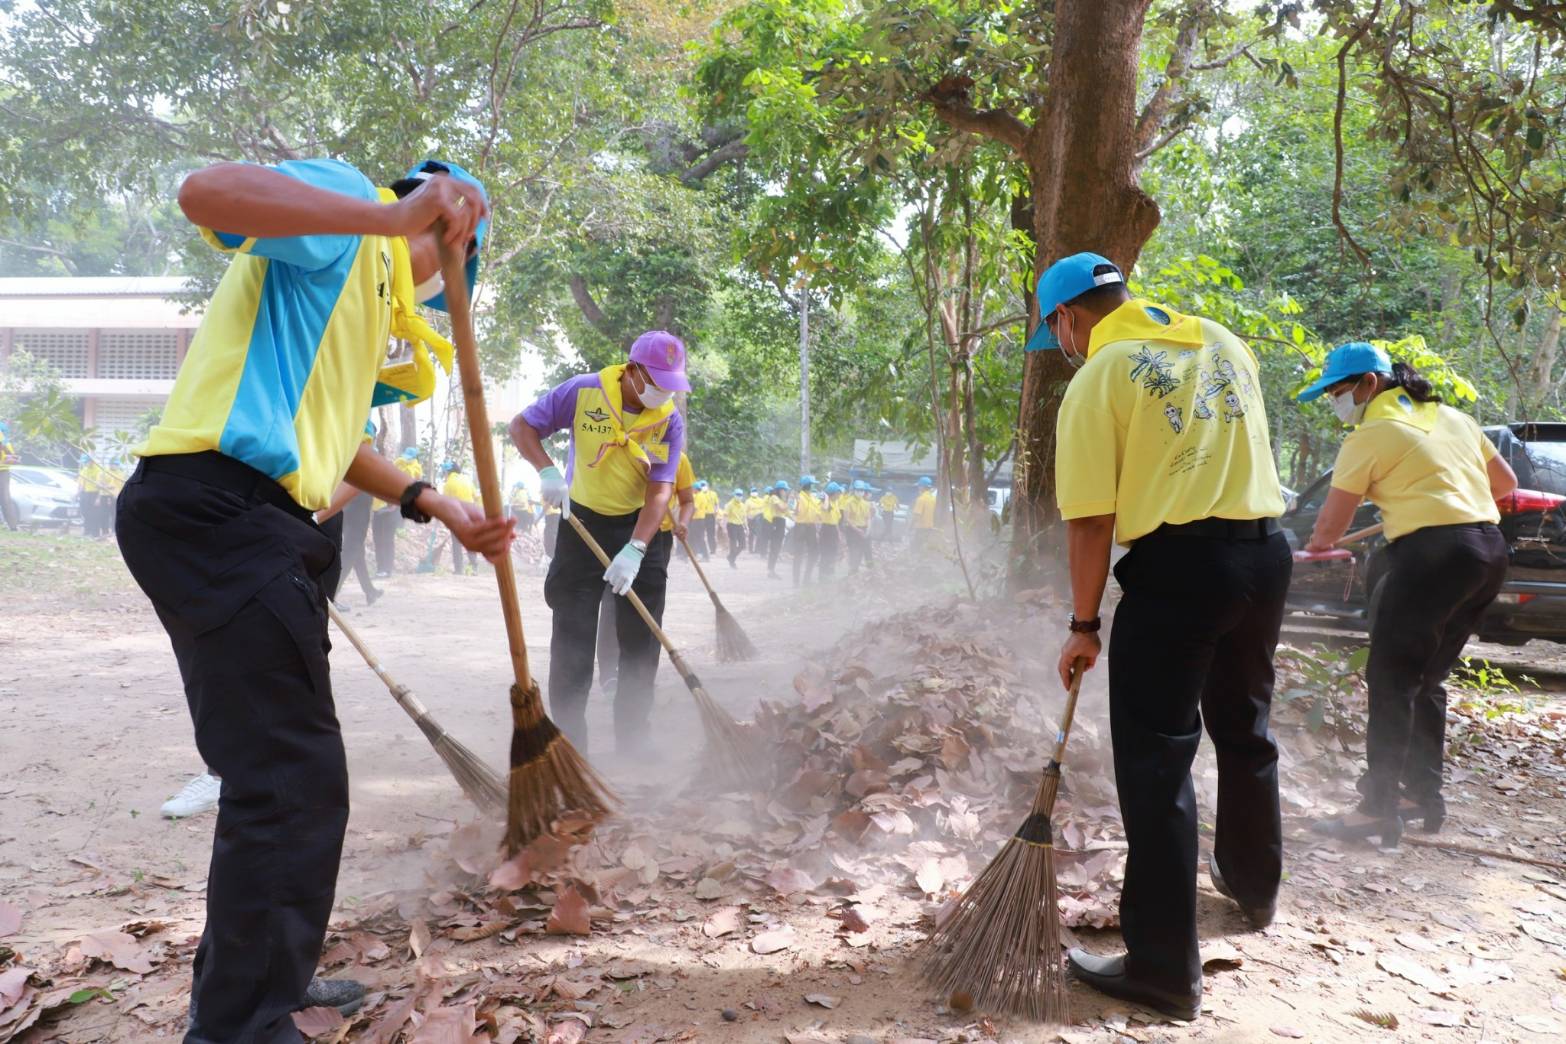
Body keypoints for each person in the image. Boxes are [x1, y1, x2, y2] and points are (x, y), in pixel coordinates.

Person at [116, 156, 511, 1040]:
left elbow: (335, 441)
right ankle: (238, 1026)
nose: (444, 280)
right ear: (441, 219)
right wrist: (392, 215)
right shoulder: (349, 216)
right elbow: (201, 193)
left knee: (292, 773)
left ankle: (268, 982)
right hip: (215, 505)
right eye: (452, 252)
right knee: (286, 780)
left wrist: (434, 503)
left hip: (252, 519)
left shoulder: (367, 302)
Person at [1037, 252, 1290, 1022]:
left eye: (1060, 336)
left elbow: (1090, 520)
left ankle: (1161, 970)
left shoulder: (1100, 376)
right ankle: (1252, 888)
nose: (1066, 349)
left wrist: (1085, 625)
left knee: (1156, 760)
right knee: (1245, 725)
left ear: (1068, 318)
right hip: (1263, 556)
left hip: (1180, 570)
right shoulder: (1220, 338)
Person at [1298, 343, 1515, 843]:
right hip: (1487, 551)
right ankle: (1422, 797)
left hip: (1430, 558)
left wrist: (1321, 540)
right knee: (1428, 678)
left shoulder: (1370, 434)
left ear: (1369, 384)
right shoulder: (1452, 417)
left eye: (1337, 390)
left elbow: (1329, 529)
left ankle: (1377, 809)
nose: (1336, 401)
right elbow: (1503, 483)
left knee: (1392, 680)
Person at [508, 330, 687, 755]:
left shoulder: (667, 419)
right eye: (657, 380)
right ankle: (569, 743)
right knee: (572, 635)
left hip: (640, 529)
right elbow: (522, 426)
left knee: (641, 639)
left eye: (670, 384)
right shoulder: (584, 391)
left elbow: (660, 490)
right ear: (633, 371)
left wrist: (637, 549)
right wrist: (547, 471)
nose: (663, 392)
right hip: (581, 523)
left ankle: (634, 736)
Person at [371, 446, 421, 576]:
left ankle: (386, 569)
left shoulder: (413, 470)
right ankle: (381, 569)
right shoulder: (397, 464)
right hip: (380, 507)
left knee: (386, 539)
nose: (406, 461)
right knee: (379, 539)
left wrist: (394, 505)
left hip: (392, 508)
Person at [441, 461, 481, 575]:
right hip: (470, 516)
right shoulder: (467, 480)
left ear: (448, 472)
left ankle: (458, 569)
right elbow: (477, 497)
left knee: (456, 543)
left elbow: (445, 503)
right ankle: (474, 568)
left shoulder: (448, 484)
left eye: (445, 472)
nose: (444, 475)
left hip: (456, 517)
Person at [791, 475, 821, 586]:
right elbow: (795, 511)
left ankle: (806, 579)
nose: (813, 486)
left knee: (814, 553)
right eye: (812, 484)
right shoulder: (799, 497)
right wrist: (795, 503)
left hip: (811, 527)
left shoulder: (814, 499)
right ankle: (796, 581)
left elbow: (818, 513)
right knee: (798, 554)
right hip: (800, 527)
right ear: (808, 486)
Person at [842, 480, 874, 572]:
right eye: (858, 490)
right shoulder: (848, 502)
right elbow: (847, 518)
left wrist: (868, 529)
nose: (860, 492)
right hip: (852, 530)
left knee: (864, 549)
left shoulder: (865, 503)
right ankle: (852, 570)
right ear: (854, 490)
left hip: (864, 529)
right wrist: (857, 530)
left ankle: (869, 568)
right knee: (854, 550)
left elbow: (868, 517)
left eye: (862, 490)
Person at [818, 481, 844, 580]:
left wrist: (839, 533)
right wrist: (826, 497)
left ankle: (829, 572)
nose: (839, 495)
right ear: (832, 493)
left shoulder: (836, 503)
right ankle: (822, 574)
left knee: (833, 552)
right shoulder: (825, 502)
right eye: (838, 493)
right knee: (825, 552)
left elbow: (836, 520)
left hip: (833, 529)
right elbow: (825, 508)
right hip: (826, 529)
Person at [765, 480, 790, 579]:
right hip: (776, 522)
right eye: (784, 490)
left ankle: (772, 569)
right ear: (780, 490)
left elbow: (787, 513)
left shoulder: (781, 500)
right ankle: (771, 570)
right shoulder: (774, 497)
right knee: (775, 546)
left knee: (777, 547)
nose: (785, 492)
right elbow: (782, 509)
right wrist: (788, 500)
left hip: (781, 522)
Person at [0, 421, 20, 530]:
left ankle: (13, 527)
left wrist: (10, 457)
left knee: (5, 499)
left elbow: (13, 459)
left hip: (2, 472)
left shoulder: (6, 443)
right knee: (5, 499)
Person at [909, 476, 937, 551]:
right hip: (930, 527)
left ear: (922, 487)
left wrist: (910, 527)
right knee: (924, 548)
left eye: (919, 486)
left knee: (915, 548)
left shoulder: (921, 499)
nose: (918, 488)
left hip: (921, 528)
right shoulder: (933, 498)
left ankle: (915, 561)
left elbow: (917, 515)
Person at [724, 487, 748, 568]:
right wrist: (724, 527)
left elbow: (744, 517)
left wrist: (746, 527)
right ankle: (732, 562)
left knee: (743, 545)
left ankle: (730, 557)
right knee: (733, 545)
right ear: (734, 495)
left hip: (740, 525)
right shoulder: (729, 504)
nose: (739, 496)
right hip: (731, 525)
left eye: (740, 495)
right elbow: (725, 516)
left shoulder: (743, 506)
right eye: (737, 494)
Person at [746, 486, 766, 555]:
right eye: (753, 491)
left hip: (759, 519)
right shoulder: (748, 501)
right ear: (751, 493)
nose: (754, 492)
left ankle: (757, 549)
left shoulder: (761, 500)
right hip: (751, 519)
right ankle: (750, 549)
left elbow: (764, 509)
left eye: (755, 491)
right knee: (751, 534)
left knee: (759, 533)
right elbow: (745, 511)